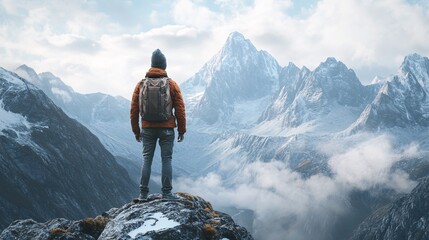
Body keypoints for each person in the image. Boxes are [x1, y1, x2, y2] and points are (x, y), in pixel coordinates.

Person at [130, 49, 186, 200]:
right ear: (164, 66)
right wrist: (181, 130)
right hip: (167, 129)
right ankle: (166, 193)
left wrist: (136, 131)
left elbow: (134, 110)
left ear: (152, 65)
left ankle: (143, 194)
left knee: (146, 159)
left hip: (147, 128)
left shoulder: (141, 84)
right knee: (166, 160)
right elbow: (180, 108)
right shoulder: (172, 84)